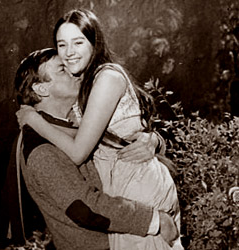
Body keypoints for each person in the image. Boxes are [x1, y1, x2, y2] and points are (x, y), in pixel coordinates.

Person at [16, 9, 183, 250]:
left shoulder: (103, 79)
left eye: (78, 42)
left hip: (135, 188)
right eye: (62, 45)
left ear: (94, 42)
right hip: (123, 204)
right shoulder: (79, 94)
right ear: (41, 89)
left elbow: (80, 149)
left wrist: (154, 140)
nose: (68, 55)